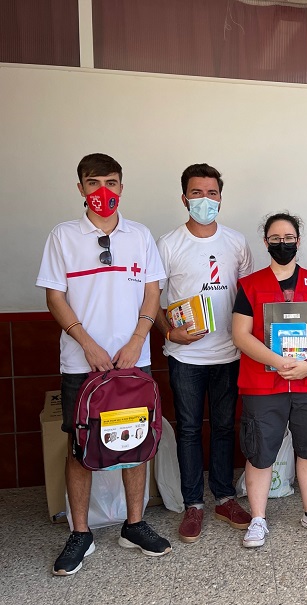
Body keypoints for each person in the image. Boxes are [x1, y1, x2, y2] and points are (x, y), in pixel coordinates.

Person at [37, 153, 171, 576]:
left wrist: (136, 340)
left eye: (111, 182)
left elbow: (152, 292)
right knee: (81, 446)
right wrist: (87, 343)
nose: (103, 192)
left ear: (122, 186)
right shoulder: (63, 236)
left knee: (134, 441)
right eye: (93, 183)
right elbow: (54, 296)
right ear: (80, 188)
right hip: (82, 363)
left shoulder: (140, 235)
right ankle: (80, 532)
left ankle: (135, 524)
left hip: (135, 361)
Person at [155, 163, 254, 543]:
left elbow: (247, 296)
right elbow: (151, 300)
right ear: (184, 199)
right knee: (191, 430)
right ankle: (194, 503)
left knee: (226, 427)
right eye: (197, 193)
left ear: (220, 199)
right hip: (186, 359)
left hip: (229, 354)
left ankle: (225, 497)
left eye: (212, 193)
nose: (205, 200)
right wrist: (170, 331)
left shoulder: (236, 242)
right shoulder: (168, 244)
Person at [232, 212, 307, 546]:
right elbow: (241, 334)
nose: (283, 244)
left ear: (298, 240)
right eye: (276, 239)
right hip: (263, 382)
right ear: (265, 242)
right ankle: (258, 519)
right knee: (260, 451)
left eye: (289, 238)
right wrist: (278, 361)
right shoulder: (249, 285)